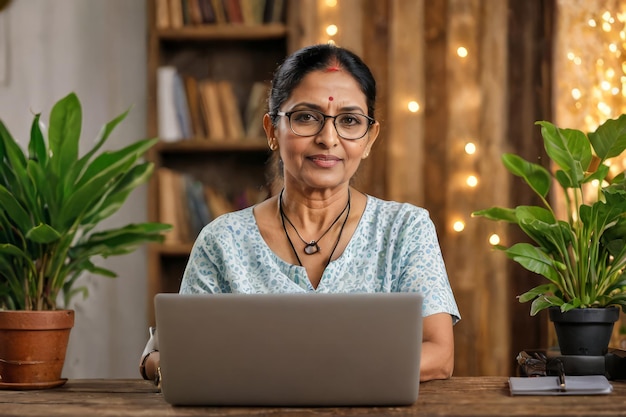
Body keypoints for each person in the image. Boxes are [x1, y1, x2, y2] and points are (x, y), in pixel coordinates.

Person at [140, 43, 460, 385]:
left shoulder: (404, 229)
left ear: (369, 139)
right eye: (306, 117)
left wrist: (307, 373)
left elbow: (439, 357)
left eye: (349, 121)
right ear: (271, 131)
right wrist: (155, 362)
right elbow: (181, 354)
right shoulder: (223, 240)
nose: (328, 138)